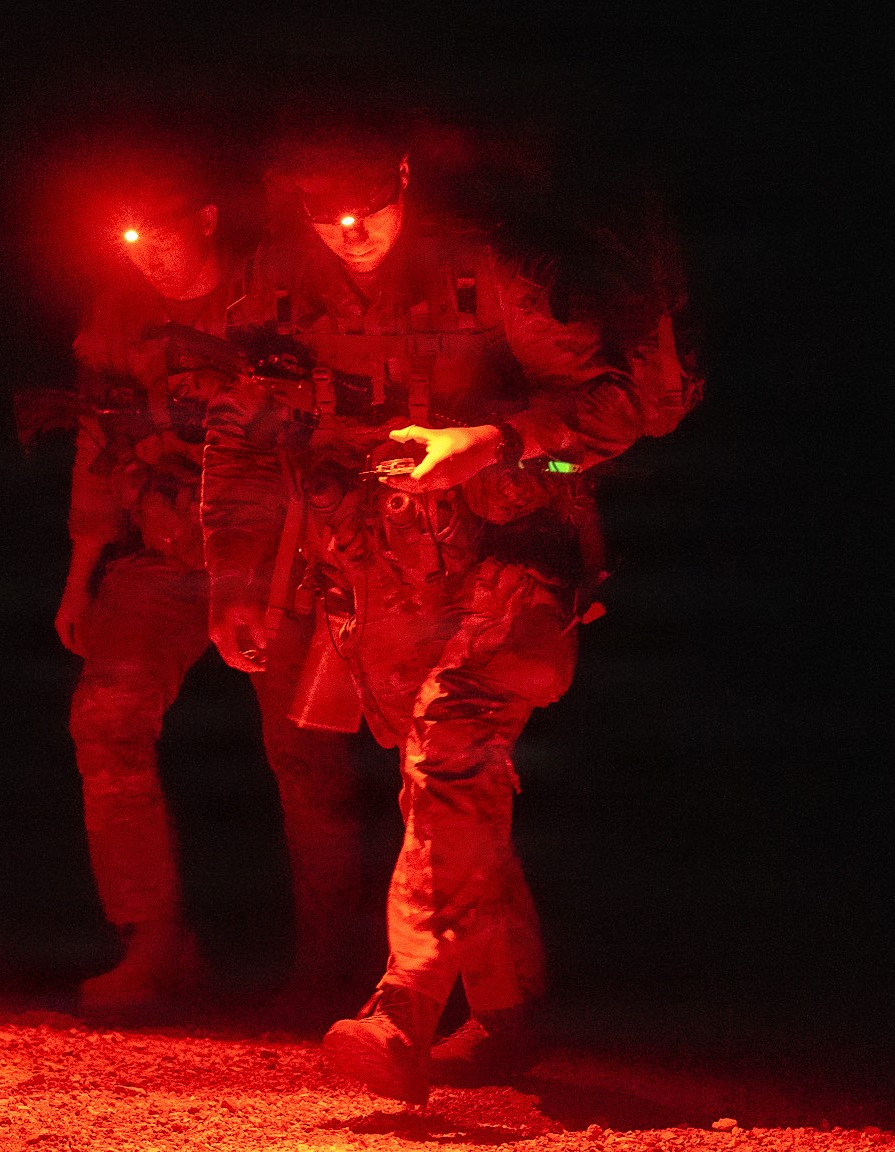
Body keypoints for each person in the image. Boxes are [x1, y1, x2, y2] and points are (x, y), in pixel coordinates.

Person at [200, 123, 665, 1101]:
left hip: (519, 565)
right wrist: (234, 580)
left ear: (401, 179)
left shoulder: (493, 269)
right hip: (387, 580)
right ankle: (505, 1017)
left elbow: (620, 410)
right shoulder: (274, 284)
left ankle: (403, 1003)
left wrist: (496, 443)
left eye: (364, 210)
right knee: (448, 791)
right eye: (322, 218)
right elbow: (244, 433)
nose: (348, 234)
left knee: (445, 747)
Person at [56, 163, 378, 1018]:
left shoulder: (279, 284)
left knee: (308, 756)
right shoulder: (118, 309)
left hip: (278, 554)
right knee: (106, 717)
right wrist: (80, 575)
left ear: (204, 218)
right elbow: (99, 435)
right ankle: (154, 943)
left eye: (161, 234)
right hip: (163, 549)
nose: (147, 255)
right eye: (129, 239)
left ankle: (328, 967)